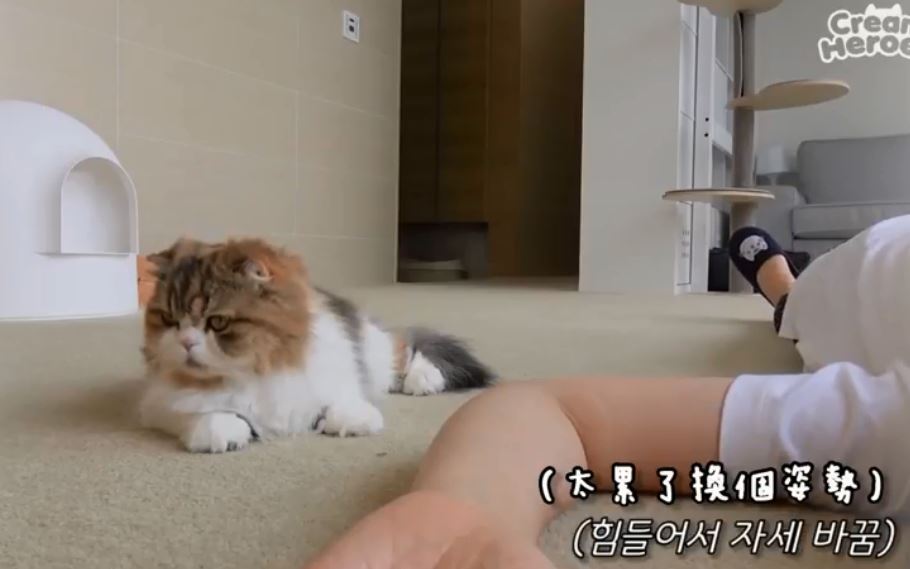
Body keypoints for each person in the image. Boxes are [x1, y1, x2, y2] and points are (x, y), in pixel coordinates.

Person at [304, 218, 910, 569]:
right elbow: (562, 414)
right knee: (802, 306)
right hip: (869, 265)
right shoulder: (892, 428)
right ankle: (780, 284)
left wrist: (468, 518)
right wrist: (464, 515)